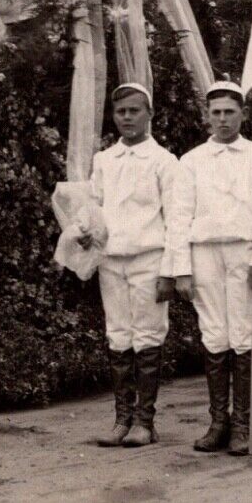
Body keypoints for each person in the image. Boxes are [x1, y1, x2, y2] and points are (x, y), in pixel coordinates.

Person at [177, 81, 252, 456]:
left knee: (242, 334)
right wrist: (180, 268)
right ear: (206, 115)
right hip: (203, 253)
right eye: (216, 112)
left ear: (243, 114)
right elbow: (178, 218)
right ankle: (218, 422)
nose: (222, 119)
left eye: (230, 112)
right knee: (213, 334)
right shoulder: (190, 161)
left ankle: (242, 423)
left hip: (244, 251)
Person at [80, 82, 190, 448]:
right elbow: (93, 206)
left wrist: (170, 271)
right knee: (118, 334)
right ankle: (121, 419)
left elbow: (176, 220)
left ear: (149, 115)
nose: (127, 117)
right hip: (111, 260)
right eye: (120, 112)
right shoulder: (104, 161)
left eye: (134, 110)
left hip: (149, 259)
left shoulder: (164, 162)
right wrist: (84, 231)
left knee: (146, 336)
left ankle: (145, 422)